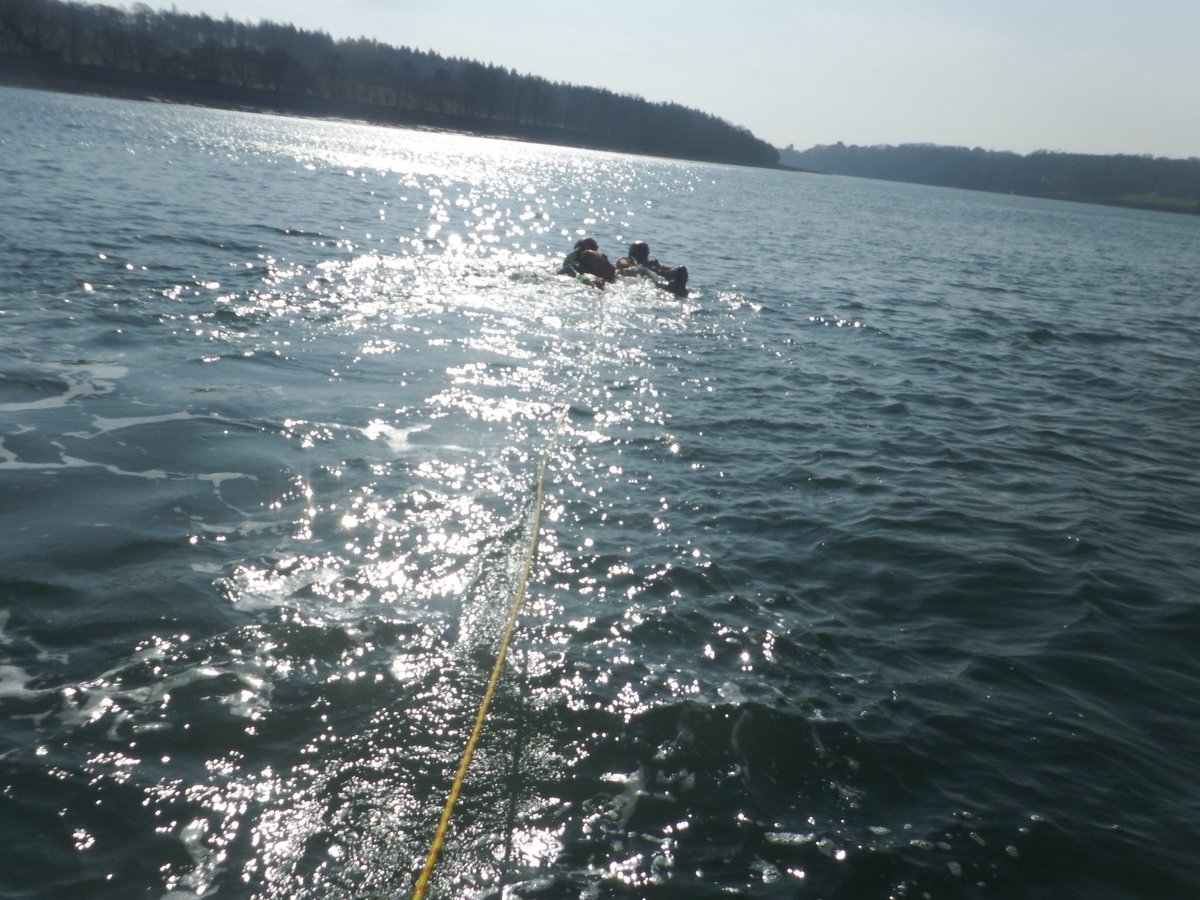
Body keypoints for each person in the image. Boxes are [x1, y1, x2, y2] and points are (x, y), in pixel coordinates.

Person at [615, 241, 688, 295]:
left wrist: (674, 271)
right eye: (641, 254)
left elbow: (665, 268)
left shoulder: (649, 264)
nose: (644, 256)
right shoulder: (625, 260)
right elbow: (623, 265)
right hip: (633, 282)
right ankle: (672, 288)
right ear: (633, 254)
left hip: (649, 281)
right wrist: (644, 266)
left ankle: (677, 286)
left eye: (645, 254)